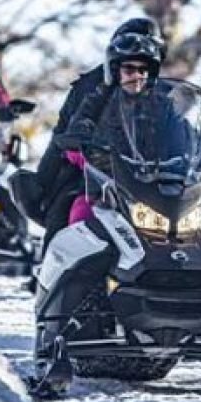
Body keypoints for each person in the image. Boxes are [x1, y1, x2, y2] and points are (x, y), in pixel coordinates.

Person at [37, 19, 165, 250]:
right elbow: (70, 129)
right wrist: (46, 180)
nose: (136, 74)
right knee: (65, 209)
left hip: (148, 180)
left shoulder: (161, 99)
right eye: (129, 67)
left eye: (143, 68)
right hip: (95, 174)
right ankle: (53, 273)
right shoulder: (95, 91)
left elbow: (184, 131)